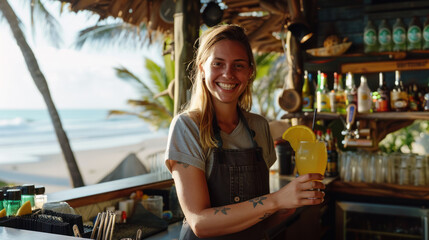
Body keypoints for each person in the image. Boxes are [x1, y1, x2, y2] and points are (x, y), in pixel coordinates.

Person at [164, 24, 325, 240]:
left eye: (238, 65)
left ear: (250, 72)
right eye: (218, 64)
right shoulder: (187, 127)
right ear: (202, 68)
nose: (228, 74)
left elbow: (260, 217)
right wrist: (277, 200)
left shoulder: (258, 127)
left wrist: (285, 207)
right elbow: (200, 223)